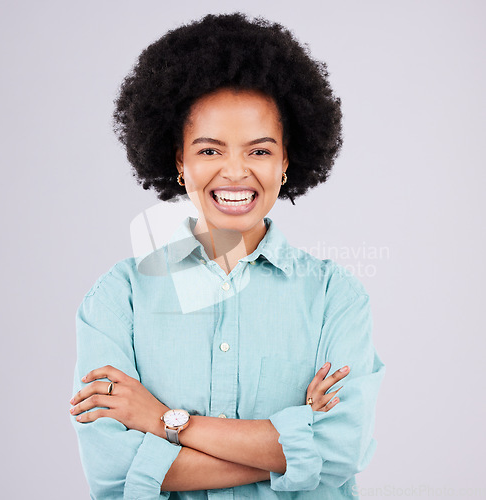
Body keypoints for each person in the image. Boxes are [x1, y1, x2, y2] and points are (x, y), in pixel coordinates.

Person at [69, 11, 386, 500]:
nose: (235, 172)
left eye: (259, 151)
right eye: (210, 150)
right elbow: (111, 469)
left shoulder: (333, 296)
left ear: (286, 162)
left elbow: (343, 450)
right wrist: (293, 445)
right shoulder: (120, 297)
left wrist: (162, 421)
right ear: (180, 162)